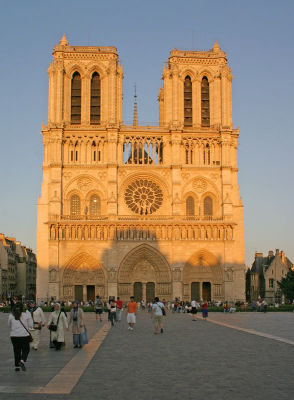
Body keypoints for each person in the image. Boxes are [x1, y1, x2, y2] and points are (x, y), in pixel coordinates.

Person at [8, 302, 33, 371]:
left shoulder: (11, 316)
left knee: (16, 350)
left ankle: (17, 365)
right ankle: (22, 360)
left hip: (14, 336)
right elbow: (31, 325)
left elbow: (9, 325)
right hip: (24, 335)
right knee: (26, 349)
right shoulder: (27, 315)